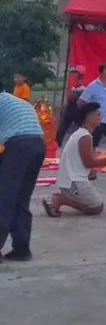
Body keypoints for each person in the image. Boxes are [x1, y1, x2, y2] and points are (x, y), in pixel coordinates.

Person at [42, 103, 106, 218]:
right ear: (89, 117)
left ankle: (61, 199)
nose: (100, 117)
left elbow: (86, 163)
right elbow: (89, 163)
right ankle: (59, 199)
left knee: (96, 206)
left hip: (69, 181)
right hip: (73, 182)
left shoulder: (80, 134)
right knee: (96, 208)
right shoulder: (85, 137)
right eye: (98, 115)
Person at [0, 90, 46, 262]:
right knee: (20, 198)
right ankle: (22, 248)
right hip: (37, 146)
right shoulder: (15, 101)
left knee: (4, 198)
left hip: (19, 146)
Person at [55, 66, 87, 147]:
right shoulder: (75, 82)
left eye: (75, 72)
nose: (73, 74)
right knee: (66, 124)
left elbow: (71, 97)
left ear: (79, 74)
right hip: (73, 106)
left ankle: (82, 143)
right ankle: (58, 141)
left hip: (76, 107)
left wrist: (71, 91)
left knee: (76, 125)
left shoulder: (80, 83)